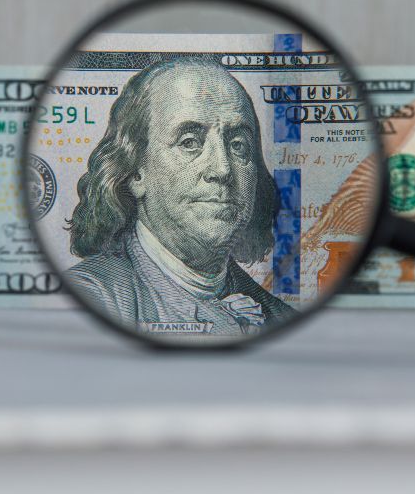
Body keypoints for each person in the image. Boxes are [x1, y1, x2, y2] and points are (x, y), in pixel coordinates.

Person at [66, 57, 296, 336]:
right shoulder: (87, 300)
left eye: (238, 145)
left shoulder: (283, 318)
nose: (222, 168)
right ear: (136, 172)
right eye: (189, 142)